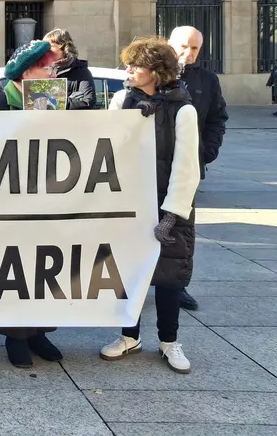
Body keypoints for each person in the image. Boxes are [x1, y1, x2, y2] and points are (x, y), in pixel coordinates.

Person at [100, 37, 200, 374]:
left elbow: (187, 167)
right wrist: (132, 121)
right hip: (130, 202)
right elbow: (107, 148)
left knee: (169, 276)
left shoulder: (183, 110)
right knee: (130, 273)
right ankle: (129, 336)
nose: (128, 70)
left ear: (156, 72)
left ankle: (169, 341)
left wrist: (171, 215)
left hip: (166, 205)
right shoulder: (120, 99)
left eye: (135, 65)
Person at [0, 40, 65, 368]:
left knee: (45, 266)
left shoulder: (53, 102)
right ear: (26, 72)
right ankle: (16, 336)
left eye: (52, 67)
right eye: (46, 67)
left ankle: (40, 331)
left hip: (45, 197)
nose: (52, 73)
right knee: (14, 268)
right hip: (8, 201)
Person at [169, 25, 228, 312]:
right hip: (150, 167)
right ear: (170, 44)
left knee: (182, 231)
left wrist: (207, 152)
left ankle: (177, 287)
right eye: (183, 46)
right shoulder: (155, 75)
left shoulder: (207, 80)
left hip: (188, 170)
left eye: (194, 48)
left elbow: (218, 118)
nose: (188, 53)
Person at [43, 28, 96, 110]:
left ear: (62, 45)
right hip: (47, 121)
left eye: (51, 47)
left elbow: (88, 102)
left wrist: (59, 102)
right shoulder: (43, 71)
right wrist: (68, 100)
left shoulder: (82, 71)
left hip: (70, 121)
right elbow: (35, 102)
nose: (47, 51)